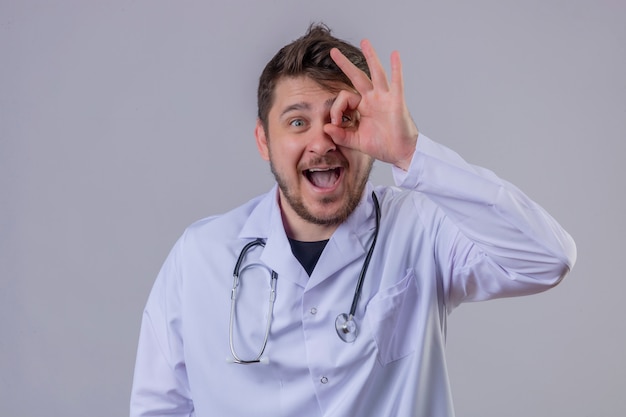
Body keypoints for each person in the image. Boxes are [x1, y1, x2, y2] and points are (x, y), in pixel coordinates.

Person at [130, 24, 576, 416]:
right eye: (298, 121)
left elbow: (546, 259)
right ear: (264, 141)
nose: (323, 140)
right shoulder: (200, 256)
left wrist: (410, 152)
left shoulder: (421, 228)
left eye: (343, 118)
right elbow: (159, 407)